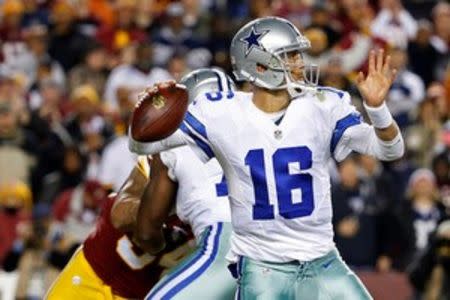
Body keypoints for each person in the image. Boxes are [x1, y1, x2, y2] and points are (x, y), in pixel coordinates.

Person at [130, 17, 404, 299]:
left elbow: (391, 150)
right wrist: (150, 110)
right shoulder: (221, 112)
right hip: (263, 269)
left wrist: (378, 108)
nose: (300, 62)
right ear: (260, 66)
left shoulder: (323, 105)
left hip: (322, 261)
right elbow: (143, 143)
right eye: (290, 56)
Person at [135, 68, 235, 299]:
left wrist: (167, 243)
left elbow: (146, 234)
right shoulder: (259, 128)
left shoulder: (175, 143)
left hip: (227, 245)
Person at [45, 156, 192, 299]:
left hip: (141, 293)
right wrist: (160, 209)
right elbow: (121, 217)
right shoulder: (171, 159)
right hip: (94, 273)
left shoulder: (211, 203)